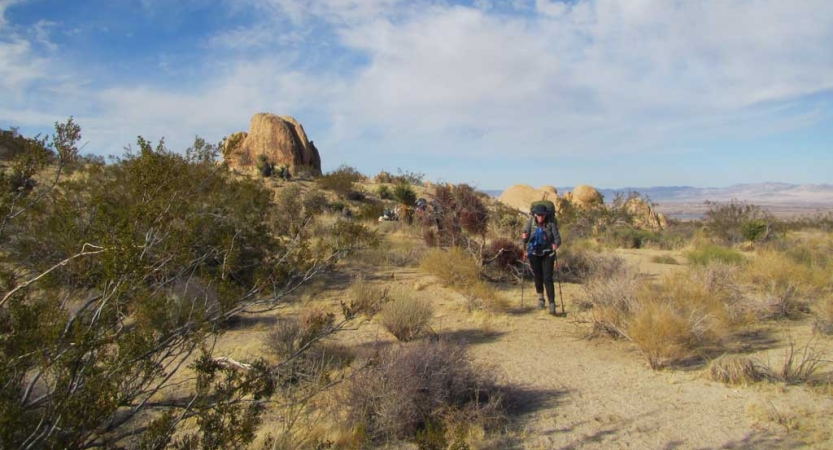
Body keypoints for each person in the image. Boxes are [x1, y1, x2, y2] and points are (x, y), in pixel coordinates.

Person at [522, 204, 562, 314]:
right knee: (538, 276)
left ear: (545, 215)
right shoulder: (531, 222)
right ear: (535, 214)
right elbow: (525, 238)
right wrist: (524, 238)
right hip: (534, 253)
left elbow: (558, 238)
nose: (540, 217)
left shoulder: (551, 223)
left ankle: (552, 304)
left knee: (547, 278)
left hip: (548, 253)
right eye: (538, 215)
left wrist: (556, 244)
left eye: (542, 215)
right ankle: (541, 299)